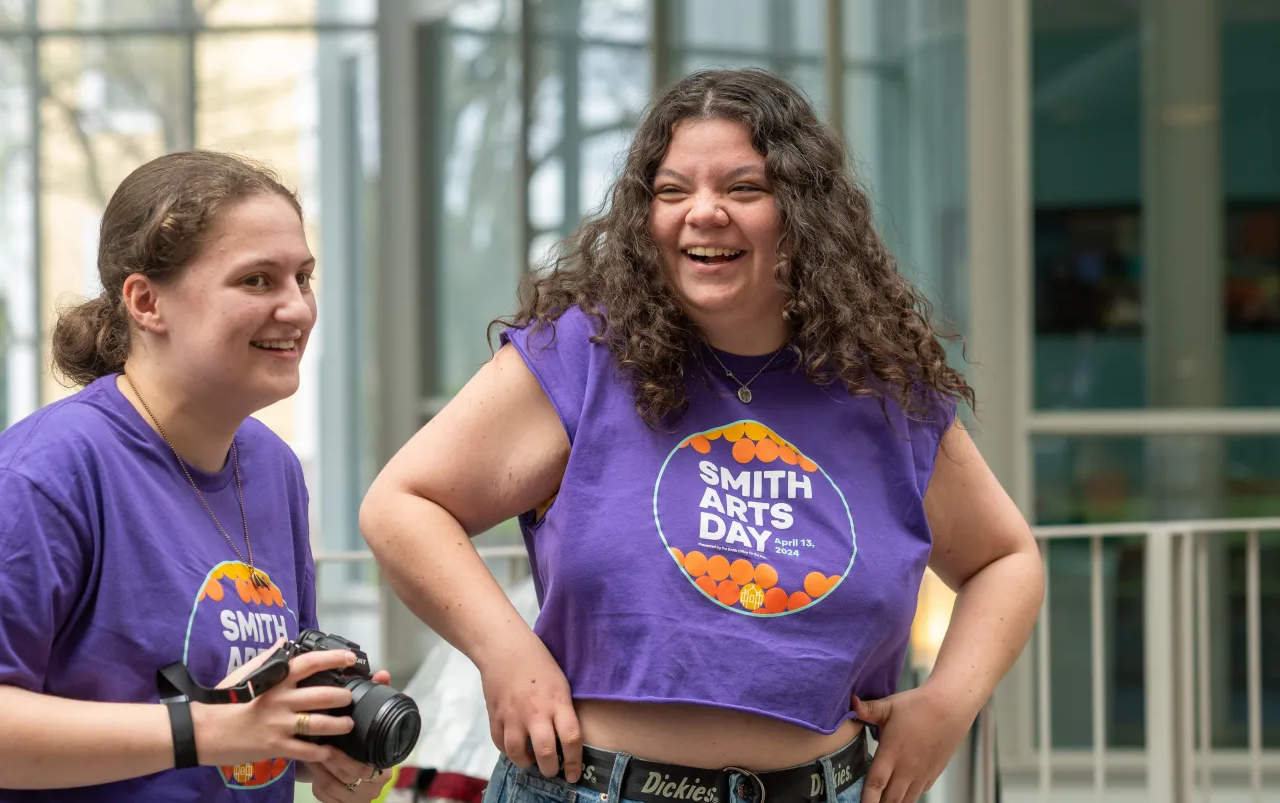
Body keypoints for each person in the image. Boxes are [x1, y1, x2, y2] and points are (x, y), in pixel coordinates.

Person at [360, 69, 1044, 803]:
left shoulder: (885, 390)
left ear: (803, 213)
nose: (703, 213)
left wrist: (947, 704)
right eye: (672, 190)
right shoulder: (583, 354)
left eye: (744, 189)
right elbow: (403, 504)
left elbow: (1005, 559)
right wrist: (504, 653)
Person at [0, 150, 393, 803]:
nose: (297, 310)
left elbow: (241, 723)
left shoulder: (274, 468)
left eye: (303, 277)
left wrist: (319, 748)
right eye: (257, 281)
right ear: (147, 301)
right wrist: (207, 731)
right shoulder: (48, 471)